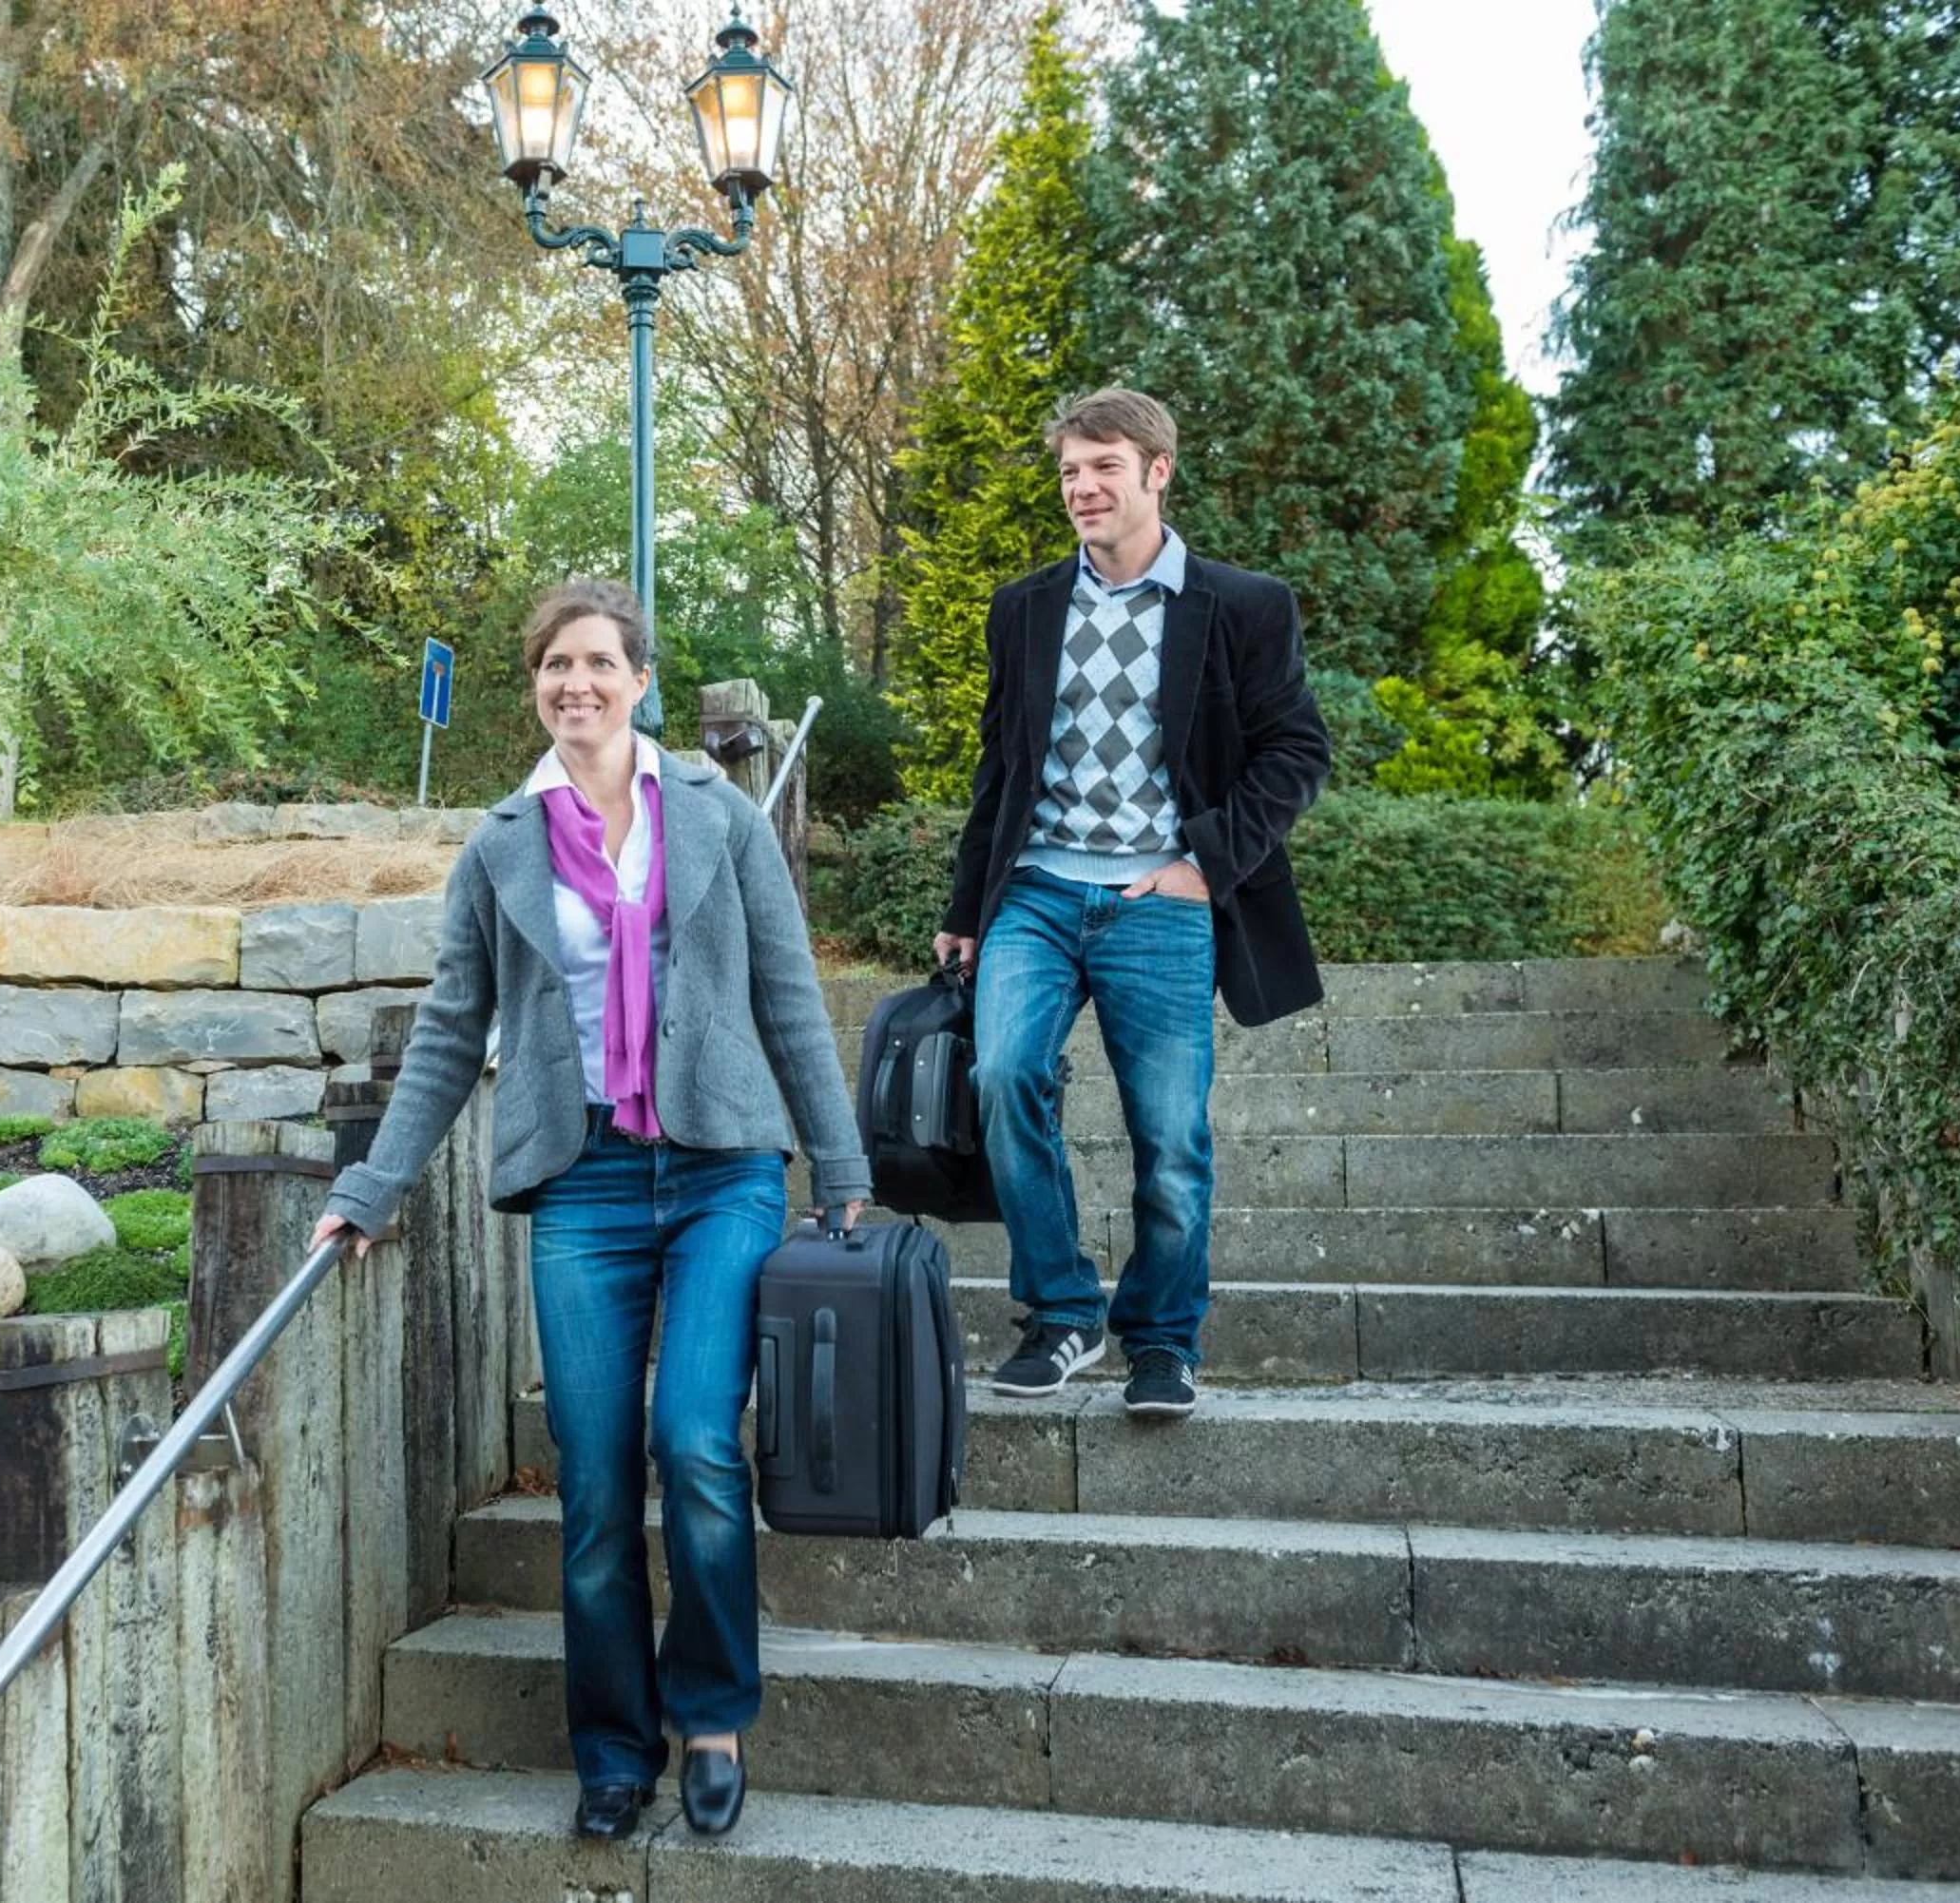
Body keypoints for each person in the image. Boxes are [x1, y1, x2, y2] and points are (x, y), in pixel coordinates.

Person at [307, 577, 869, 1843]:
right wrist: (371, 1186)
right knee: (599, 1484)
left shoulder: (718, 816)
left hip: (722, 1167)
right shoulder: (501, 843)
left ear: (640, 680)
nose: (578, 683)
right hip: (583, 1179)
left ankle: (712, 1714)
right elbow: (451, 1032)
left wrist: (840, 1168)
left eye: (600, 662)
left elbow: (788, 994)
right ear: (538, 686)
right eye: (557, 665)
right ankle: (613, 1751)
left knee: (699, 1442)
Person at [932, 387, 1330, 1418]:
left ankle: (1162, 1340)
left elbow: (1297, 751)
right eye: (1070, 470)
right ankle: (1063, 1313)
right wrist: (968, 906)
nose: (1082, 487)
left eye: (1104, 466)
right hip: (1036, 890)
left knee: (1170, 1136)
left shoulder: (1243, 605)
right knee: (1004, 1073)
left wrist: (1206, 864)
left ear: (1158, 471)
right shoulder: (1024, 608)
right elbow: (999, 766)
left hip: (1160, 899)